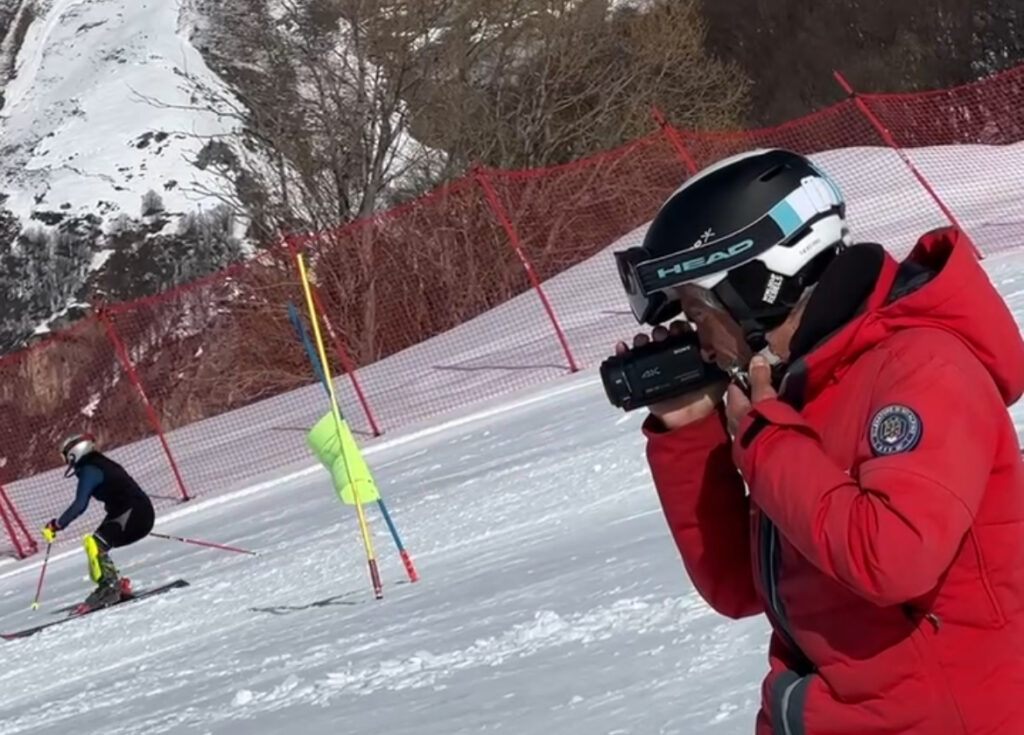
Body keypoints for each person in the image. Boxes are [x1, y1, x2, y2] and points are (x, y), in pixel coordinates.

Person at [612, 148, 1024, 734]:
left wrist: (768, 440)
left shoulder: (924, 369)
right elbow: (737, 585)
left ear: (759, 283)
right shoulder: (803, 384)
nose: (700, 341)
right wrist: (689, 431)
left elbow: (894, 557)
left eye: (697, 309)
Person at [42, 433, 155, 609]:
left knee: (95, 544)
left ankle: (109, 589)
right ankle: (115, 586)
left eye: (65, 456)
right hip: (135, 512)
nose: (66, 461)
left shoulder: (90, 469)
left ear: (73, 453)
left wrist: (58, 524)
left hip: (135, 514)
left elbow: (80, 505)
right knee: (98, 544)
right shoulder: (98, 463)